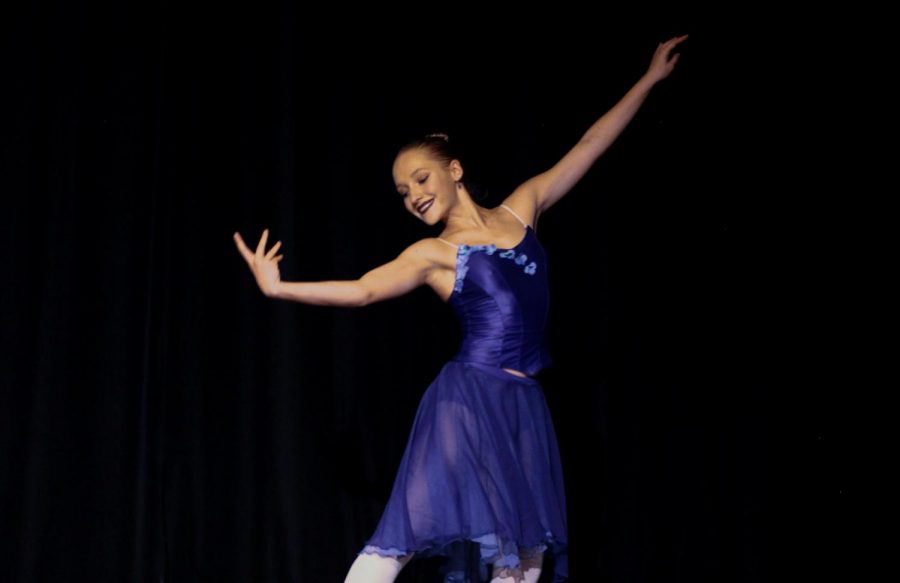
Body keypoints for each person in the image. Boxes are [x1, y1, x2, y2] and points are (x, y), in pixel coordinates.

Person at [234, 34, 687, 583]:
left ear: (453, 169)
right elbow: (363, 290)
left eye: (420, 179)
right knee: (406, 530)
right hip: (469, 396)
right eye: (402, 192)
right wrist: (280, 289)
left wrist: (648, 80)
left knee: (523, 557)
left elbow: (590, 143)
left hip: (524, 405)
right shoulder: (435, 253)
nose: (412, 196)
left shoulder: (522, 211)